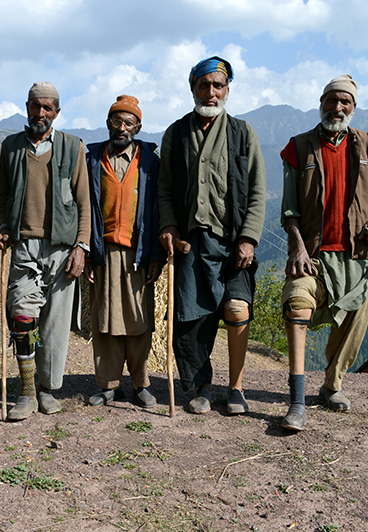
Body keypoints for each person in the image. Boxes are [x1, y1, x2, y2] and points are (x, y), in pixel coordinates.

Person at [279, 74, 368, 431]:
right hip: (311, 254)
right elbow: (289, 210)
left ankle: (332, 386)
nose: (338, 108)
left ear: (354, 108)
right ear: (321, 103)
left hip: (360, 256)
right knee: (296, 303)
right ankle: (297, 401)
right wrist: (297, 246)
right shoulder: (298, 148)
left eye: (346, 102)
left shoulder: (367, 146)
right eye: (332, 101)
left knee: (353, 326)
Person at [157, 56, 266, 415]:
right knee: (194, 318)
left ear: (227, 91)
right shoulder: (175, 133)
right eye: (204, 85)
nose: (211, 92)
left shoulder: (242, 133)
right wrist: (170, 226)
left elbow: (256, 190)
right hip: (191, 241)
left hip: (233, 242)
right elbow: (166, 189)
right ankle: (202, 386)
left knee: (236, 309)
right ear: (193, 89)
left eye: (218, 86)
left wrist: (249, 237)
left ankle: (235, 388)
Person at [0, 82, 90, 421]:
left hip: (63, 249)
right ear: (27, 107)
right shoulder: (12, 147)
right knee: (22, 316)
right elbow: (1, 196)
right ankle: (26, 391)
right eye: (36, 106)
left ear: (57, 112)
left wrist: (81, 246)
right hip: (24, 245)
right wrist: (3, 226)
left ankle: (46, 389)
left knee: (55, 325)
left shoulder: (72, 147)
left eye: (48, 108)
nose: (41, 113)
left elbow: (84, 202)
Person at [84, 95, 165, 408]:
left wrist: (157, 255)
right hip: (103, 251)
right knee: (104, 319)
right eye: (116, 121)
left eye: (128, 122)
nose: (121, 127)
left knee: (138, 319)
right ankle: (107, 385)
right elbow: (85, 208)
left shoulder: (150, 162)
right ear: (107, 124)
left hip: (138, 253)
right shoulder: (91, 159)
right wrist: (89, 254)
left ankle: (140, 383)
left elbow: (159, 209)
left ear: (138, 126)